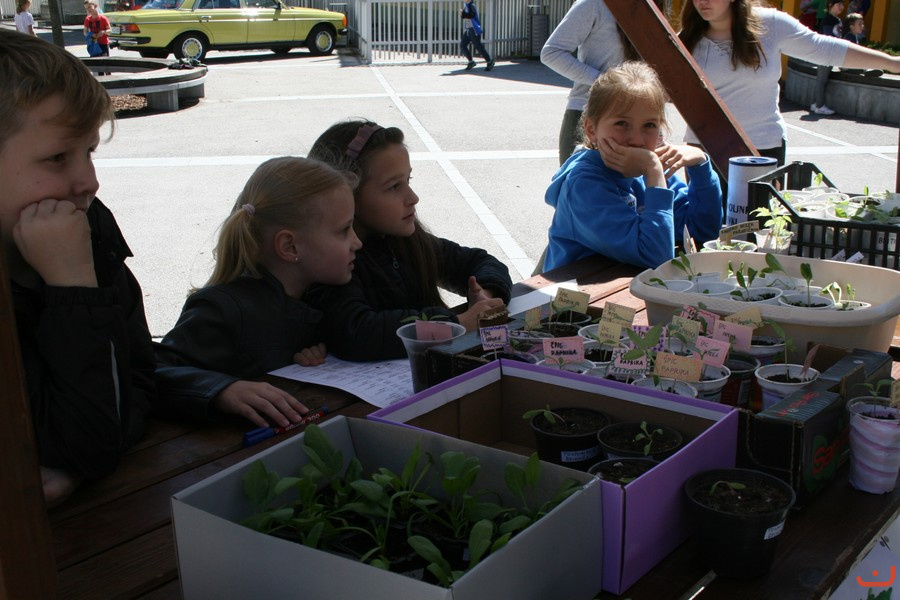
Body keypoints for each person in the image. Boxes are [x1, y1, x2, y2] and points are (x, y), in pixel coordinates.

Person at [0, 30, 156, 507]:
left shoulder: (90, 230)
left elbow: (137, 379)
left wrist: (78, 461)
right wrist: (72, 288)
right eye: (57, 157)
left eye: (89, 152)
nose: (89, 182)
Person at [155, 157, 361, 428]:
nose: (357, 242)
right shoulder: (223, 310)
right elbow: (154, 371)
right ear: (290, 247)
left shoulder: (312, 296)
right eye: (344, 231)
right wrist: (224, 390)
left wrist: (308, 350)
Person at [306, 119, 511, 361]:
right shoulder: (335, 261)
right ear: (347, 196)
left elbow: (479, 261)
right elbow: (358, 331)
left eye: (408, 181)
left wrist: (485, 295)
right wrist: (455, 324)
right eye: (394, 187)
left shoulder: (408, 241)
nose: (413, 197)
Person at [543, 62, 723, 272]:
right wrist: (653, 171)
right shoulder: (584, 185)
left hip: (624, 287)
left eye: (649, 125)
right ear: (591, 130)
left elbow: (703, 230)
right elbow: (657, 257)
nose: (637, 140)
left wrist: (700, 165)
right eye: (622, 124)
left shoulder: (647, 167)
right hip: (579, 292)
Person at [678, 0, 900, 166]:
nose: (702, 1)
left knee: (759, 217)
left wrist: (891, 63)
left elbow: (825, 48)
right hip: (703, 150)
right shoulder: (683, 40)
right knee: (705, 218)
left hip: (762, 149)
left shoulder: (770, 24)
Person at [540, 0, 664, 166]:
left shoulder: (653, 7)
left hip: (642, 120)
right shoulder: (594, 4)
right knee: (583, 181)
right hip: (589, 112)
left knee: (644, 182)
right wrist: (607, 83)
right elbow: (551, 52)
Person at [460, 0, 494, 72]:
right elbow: (465, 16)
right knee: (462, 45)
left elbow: (472, 15)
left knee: (478, 46)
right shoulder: (466, 5)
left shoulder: (471, 5)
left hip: (474, 29)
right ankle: (471, 62)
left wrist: (464, 14)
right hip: (468, 29)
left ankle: (489, 61)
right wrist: (463, 14)